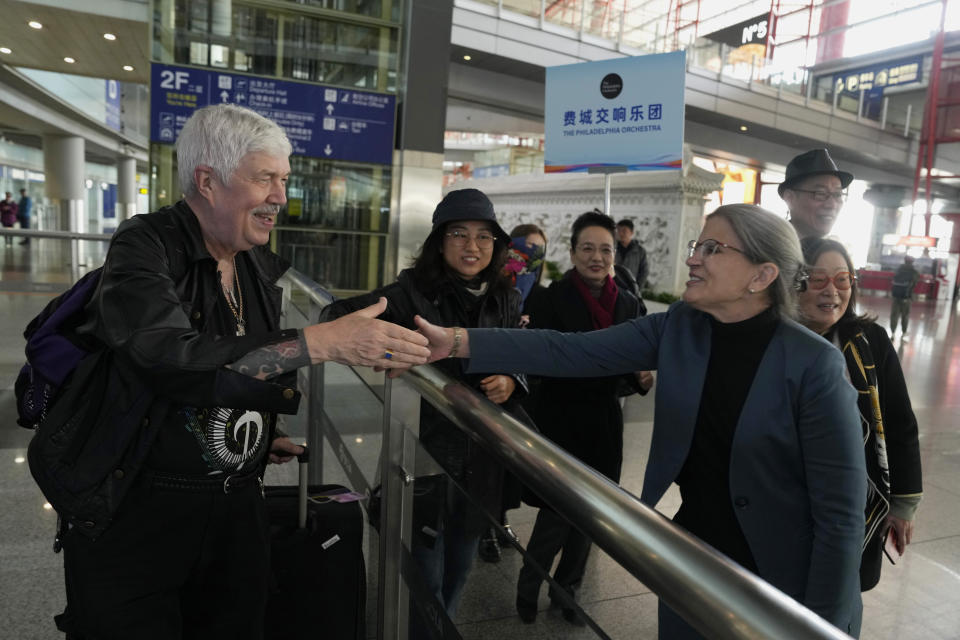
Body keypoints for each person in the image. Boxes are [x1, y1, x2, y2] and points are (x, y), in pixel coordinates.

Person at [58, 104, 430, 639]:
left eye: (283, 179)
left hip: (234, 504)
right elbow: (166, 354)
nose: (280, 196)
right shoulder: (144, 245)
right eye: (265, 179)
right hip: (139, 508)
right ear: (207, 181)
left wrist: (255, 431)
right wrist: (317, 343)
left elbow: (238, 358)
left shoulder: (253, 259)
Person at [413, 204, 866, 638]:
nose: (692, 258)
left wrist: (819, 627)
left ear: (762, 275)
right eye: (697, 244)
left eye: (712, 249)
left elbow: (841, 519)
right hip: (695, 561)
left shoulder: (813, 367)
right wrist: (455, 341)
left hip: (784, 578)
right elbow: (568, 349)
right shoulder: (682, 327)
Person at [320, 188, 530, 623]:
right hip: (422, 456)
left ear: (497, 245)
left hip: (482, 463)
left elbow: (522, 355)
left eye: (484, 237)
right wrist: (390, 352)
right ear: (439, 241)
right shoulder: (410, 293)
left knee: (459, 569)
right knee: (425, 579)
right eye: (459, 234)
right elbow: (334, 318)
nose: (472, 247)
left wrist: (512, 381)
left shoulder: (506, 298)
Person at [515, 211, 651, 626]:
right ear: (572, 252)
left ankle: (567, 590)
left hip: (605, 421)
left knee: (593, 515)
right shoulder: (549, 300)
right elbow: (535, 361)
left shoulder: (628, 303)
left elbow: (633, 362)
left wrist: (641, 375)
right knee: (557, 511)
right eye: (587, 248)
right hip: (560, 417)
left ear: (616, 256)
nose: (597, 257)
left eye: (605, 250)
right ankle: (529, 583)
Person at [798, 237, 922, 591]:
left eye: (842, 279)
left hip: (856, 502)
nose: (832, 291)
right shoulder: (773, 342)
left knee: (841, 593)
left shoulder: (869, 340)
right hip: (787, 500)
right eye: (817, 279)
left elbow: (900, 423)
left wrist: (903, 504)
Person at [477, 222, 548, 564]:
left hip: (526, 389)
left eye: (539, 250)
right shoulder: (494, 289)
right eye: (526, 248)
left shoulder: (543, 294)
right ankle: (485, 526)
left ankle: (500, 519)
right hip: (490, 390)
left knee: (510, 469)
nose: (531, 256)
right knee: (488, 462)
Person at [779, 148, 853, 239]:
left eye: (838, 195)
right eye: (820, 193)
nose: (832, 205)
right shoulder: (766, 247)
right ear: (790, 198)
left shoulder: (829, 251)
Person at [890, 254, 920, 338]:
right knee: (905, 315)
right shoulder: (914, 272)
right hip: (906, 298)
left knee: (894, 315)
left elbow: (893, 280)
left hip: (896, 297)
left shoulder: (898, 270)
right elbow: (915, 284)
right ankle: (903, 333)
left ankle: (892, 333)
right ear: (912, 262)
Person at [615, 218, 648, 287]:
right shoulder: (612, 248)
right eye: (618, 230)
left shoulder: (640, 251)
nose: (620, 233)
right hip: (613, 287)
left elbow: (644, 272)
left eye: (624, 231)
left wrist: (637, 288)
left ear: (632, 232)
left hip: (631, 288)